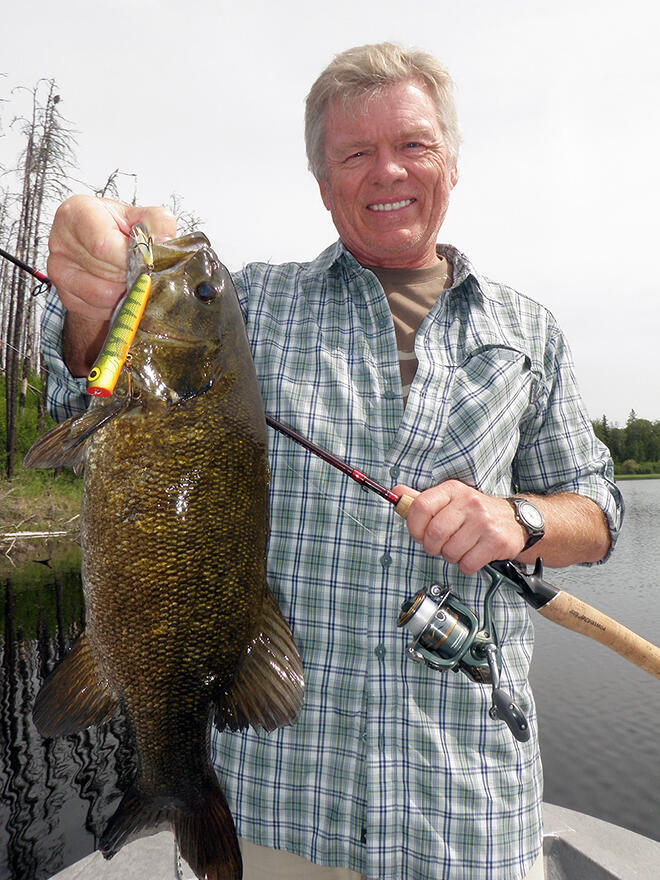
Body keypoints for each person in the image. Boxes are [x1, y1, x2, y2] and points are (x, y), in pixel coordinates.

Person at [41, 43, 622, 880]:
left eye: (413, 146)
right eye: (356, 153)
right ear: (323, 184)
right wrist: (88, 305)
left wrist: (519, 519)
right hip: (275, 812)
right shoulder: (252, 308)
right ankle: (174, 780)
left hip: (467, 817)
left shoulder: (530, 333)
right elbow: (81, 399)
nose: (388, 172)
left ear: (451, 164)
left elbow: (600, 513)